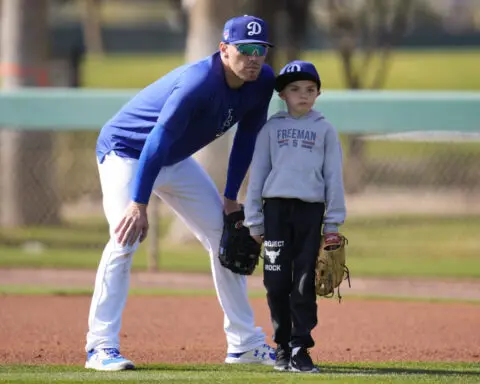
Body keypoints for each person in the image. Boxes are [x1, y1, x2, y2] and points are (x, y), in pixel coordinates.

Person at [85, 15, 278, 371]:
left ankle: (245, 343)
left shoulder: (263, 81)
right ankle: (100, 347)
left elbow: (248, 137)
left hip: (173, 158)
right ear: (224, 49)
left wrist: (231, 198)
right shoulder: (198, 82)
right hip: (127, 151)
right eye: (246, 49)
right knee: (124, 238)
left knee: (226, 237)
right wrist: (138, 203)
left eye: (261, 50)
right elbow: (156, 140)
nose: (254, 57)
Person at [244, 60, 346, 373]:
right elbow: (258, 174)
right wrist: (254, 220)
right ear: (283, 95)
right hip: (275, 211)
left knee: (304, 281)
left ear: (317, 94)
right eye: (295, 89)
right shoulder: (271, 128)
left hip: (309, 211)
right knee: (275, 282)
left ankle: (301, 346)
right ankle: (281, 346)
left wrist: (333, 224)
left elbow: (333, 176)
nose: (303, 94)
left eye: (310, 89)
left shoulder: (325, 129)